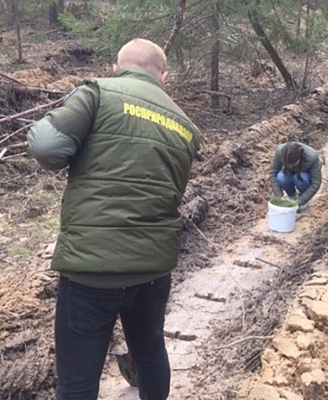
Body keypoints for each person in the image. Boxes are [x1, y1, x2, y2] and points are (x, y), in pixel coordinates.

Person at [27, 38, 201, 400]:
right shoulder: (184, 124)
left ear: (116, 68)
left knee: (77, 379)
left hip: (93, 269)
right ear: (163, 77)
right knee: (151, 349)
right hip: (154, 270)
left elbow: (46, 148)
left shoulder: (97, 93)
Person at [269, 142, 322, 211]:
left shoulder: (312, 157)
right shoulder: (280, 151)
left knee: (300, 178)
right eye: (288, 164)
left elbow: (316, 183)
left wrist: (300, 201)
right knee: (281, 177)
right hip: (288, 172)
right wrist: (279, 196)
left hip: (305, 174)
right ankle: (292, 196)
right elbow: (273, 172)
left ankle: (303, 196)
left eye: (293, 164)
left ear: (300, 158)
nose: (290, 166)